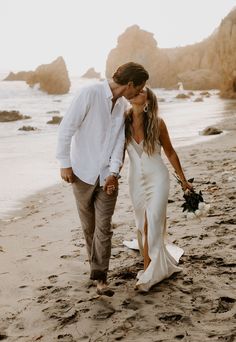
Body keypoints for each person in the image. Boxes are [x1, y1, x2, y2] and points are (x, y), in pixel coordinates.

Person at [56, 62, 149, 296]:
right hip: (81, 173)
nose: (139, 93)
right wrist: (64, 164)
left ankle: (101, 278)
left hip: (107, 176)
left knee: (104, 228)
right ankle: (96, 268)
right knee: (89, 228)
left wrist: (113, 173)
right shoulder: (89, 94)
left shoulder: (121, 108)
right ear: (129, 85)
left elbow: (119, 143)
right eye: (139, 88)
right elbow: (66, 129)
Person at [123, 86, 192, 292]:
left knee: (151, 222)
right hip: (134, 179)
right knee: (141, 223)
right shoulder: (122, 122)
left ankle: (148, 272)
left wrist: (183, 180)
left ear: (148, 100)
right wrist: (111, 176)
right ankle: (151, 264)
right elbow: (117, 153)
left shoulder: (158, 123)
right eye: (135, 89)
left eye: (142, 90)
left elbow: (170, 153)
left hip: (158, 179)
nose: (137, 91)